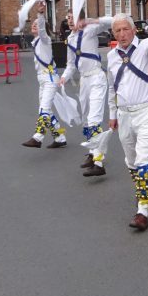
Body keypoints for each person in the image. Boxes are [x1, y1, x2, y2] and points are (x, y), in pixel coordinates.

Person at [107, 8, 148, 232]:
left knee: (144, 159)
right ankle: (143, 190)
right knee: (131, 160)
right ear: (113, 34)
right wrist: (112, 114)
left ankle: (143, 211)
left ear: (134, 30)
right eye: (117, 30)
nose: (122, 34)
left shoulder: (145, 48)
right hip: (124, 114)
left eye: (125, 29)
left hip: (147, 111)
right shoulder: (112, 56)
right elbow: (112, 88)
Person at [59, 15, 113, 176]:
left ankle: (98, 161)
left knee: (94, 119)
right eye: (67, 17)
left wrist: (90, 21)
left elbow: (111, 21)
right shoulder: (70, 39)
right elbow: (70, 64)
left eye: (72, 17)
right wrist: (64, 78)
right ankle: (92, 152)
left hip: (96, 77)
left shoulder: (90, 30)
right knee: (86, 119)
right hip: (84, 80)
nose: (69, 20)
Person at [22, 0, 67, 149]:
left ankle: (38, 137)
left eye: (37, 25)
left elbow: (41, 29)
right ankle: (59, 137)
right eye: (33, 25)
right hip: (42, 79)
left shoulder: (45, 40)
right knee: (45, 109)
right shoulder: (36, 43)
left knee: (44, 109)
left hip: (49, 78)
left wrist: (41, 14)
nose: (34, 26)